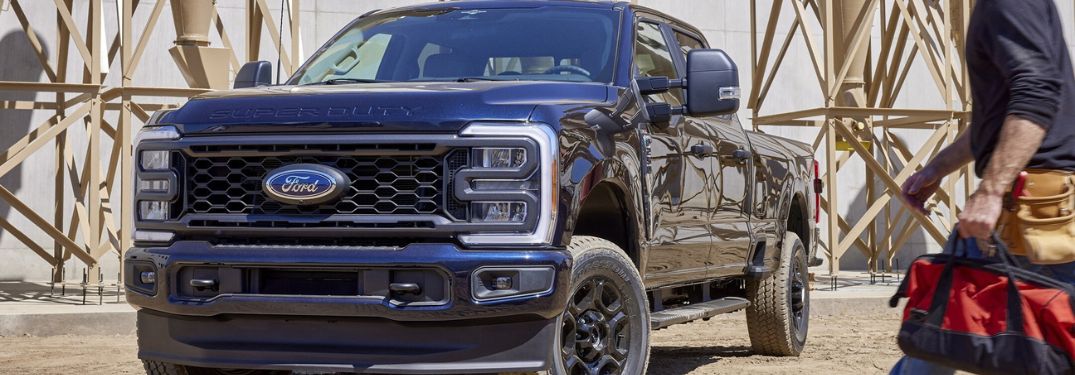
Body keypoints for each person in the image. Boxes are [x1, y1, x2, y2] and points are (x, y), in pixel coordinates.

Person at [891, 0, 1075, 373]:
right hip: (1020, 209)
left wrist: (990, 193)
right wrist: (936, 169)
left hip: (1032, 215)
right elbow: (997, 118)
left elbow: (1036, 96)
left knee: (941, 337)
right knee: (935, 334)